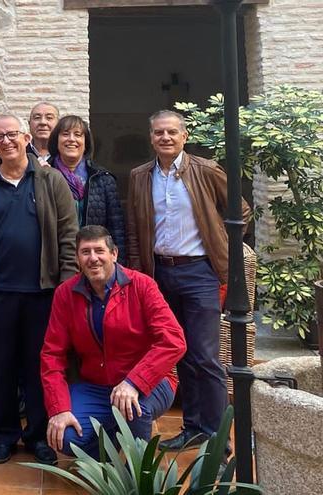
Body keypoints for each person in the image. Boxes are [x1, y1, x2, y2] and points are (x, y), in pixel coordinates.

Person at [126, 110, 251, 451]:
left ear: (184, 136)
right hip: (160, 274)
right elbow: (135, 229)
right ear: (150, 137)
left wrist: (219, 245)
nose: (164, 138)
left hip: (199, 273)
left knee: (206, 355)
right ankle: (193, 427)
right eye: (158, 133)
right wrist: (139, 273)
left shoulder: (206, 170)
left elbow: (240, 211)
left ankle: (216, 434)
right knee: (178, 351)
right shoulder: (140, 176)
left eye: (171, 132)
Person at [0, 114, 78, 464]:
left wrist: (67, 287)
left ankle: (38, 437)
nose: (6, 141)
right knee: (0, 367)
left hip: (44, 294)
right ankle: (3, 435)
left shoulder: (51, 180)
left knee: (38, 367)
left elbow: (68, 236)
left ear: (26, 137)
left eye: (12, 134)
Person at [42, 225, 186, 458]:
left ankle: (137, 476)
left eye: (99, 250)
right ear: (77, 258)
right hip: (97, 385)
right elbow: (52, 355)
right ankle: (108, 451)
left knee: (134, 409)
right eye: (85, 252)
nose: (93, 259)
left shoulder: (142, 285)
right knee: (66, 437)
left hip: (151, 382)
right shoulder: (65, 294)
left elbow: (174, 339)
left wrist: (134, 383)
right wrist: (59, 408)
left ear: (114, 254)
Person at [47, 115, 126, 261]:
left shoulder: (103, 178)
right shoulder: (43, 176)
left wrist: (118, 267)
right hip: (54, 261)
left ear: (86, 143)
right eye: (65, 134)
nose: (71, 139)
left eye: (78, 135)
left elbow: (117, 229)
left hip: (94, 259)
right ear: (56, 141)